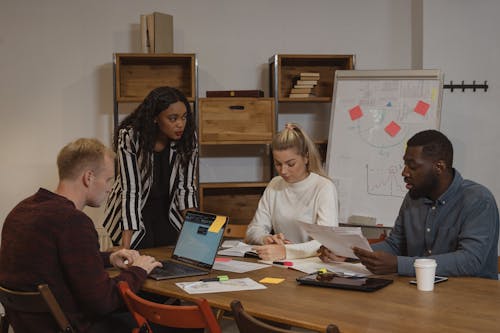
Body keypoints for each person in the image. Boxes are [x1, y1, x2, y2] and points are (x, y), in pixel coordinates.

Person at [0, 138, 162, 332]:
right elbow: (103, 302)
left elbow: (61, 261)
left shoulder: (22, 210)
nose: (110, 188)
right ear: (89, 177)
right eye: (108, 179)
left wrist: (109, 258)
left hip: (32, 325)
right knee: (175, 324)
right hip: (73, 326)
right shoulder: (72, 221)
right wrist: (138, 270)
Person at [319, 129, 499, 279]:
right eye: (405, 164)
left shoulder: (478, 200)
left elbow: (470, 261)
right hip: (420, 291)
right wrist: (349, 253)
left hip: (470, 300)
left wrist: (399, 265)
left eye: (412, 166)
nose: (404, 172)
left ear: (439, 167)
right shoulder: (414, 197)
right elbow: (396, 245)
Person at [103, 86, 199, 249]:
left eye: (184, 117)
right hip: (133, 209)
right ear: (155, 118)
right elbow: (130, 190)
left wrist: (197, 234)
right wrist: (125, 248)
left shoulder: (188, 137)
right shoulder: (130, 136)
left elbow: (187, 188)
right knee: (137, 253)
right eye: (173, 118)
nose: (180, 124)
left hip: (166, 208)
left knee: (169, 254)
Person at [245, 123, 339, 261]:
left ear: (306, 157)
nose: (283, 171)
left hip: (313, 266)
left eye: (290, 164)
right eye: (278, 164)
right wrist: (267, 238)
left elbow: (327, 242)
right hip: (280, 262)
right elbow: (253, 230)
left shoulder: (324, 187)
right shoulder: (275, 184)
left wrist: (286, 251)